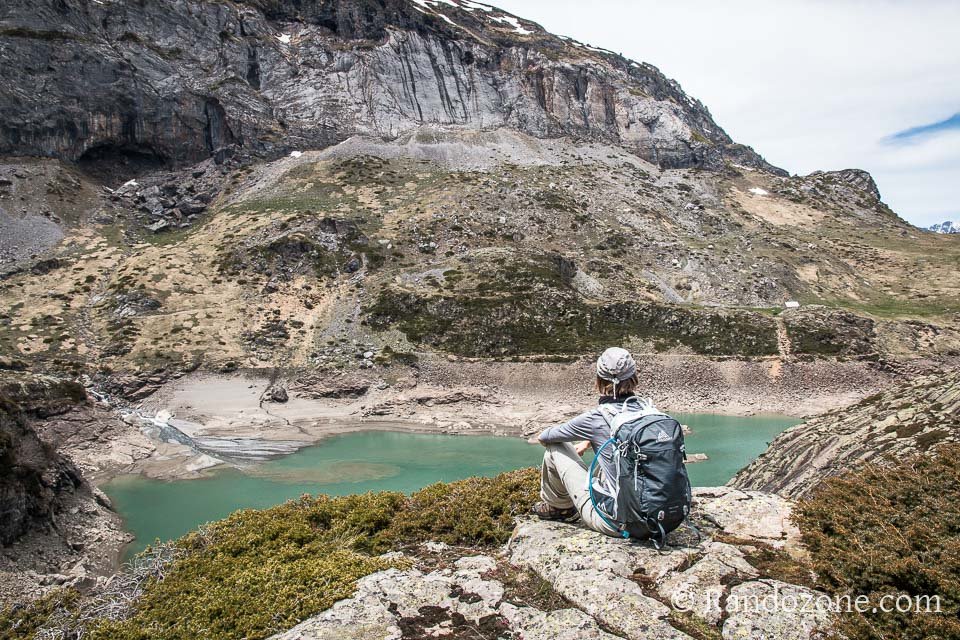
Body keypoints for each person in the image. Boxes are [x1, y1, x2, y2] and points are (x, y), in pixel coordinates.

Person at [527, 346, 640, 537]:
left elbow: (545, 437)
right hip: (663, 517)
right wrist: (589, 441)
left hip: (620, 524)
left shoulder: (595, 418)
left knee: (556, 447)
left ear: (599, 380)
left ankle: (559, 508)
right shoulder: (649, 411)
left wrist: (587, 435)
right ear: (634, 377)